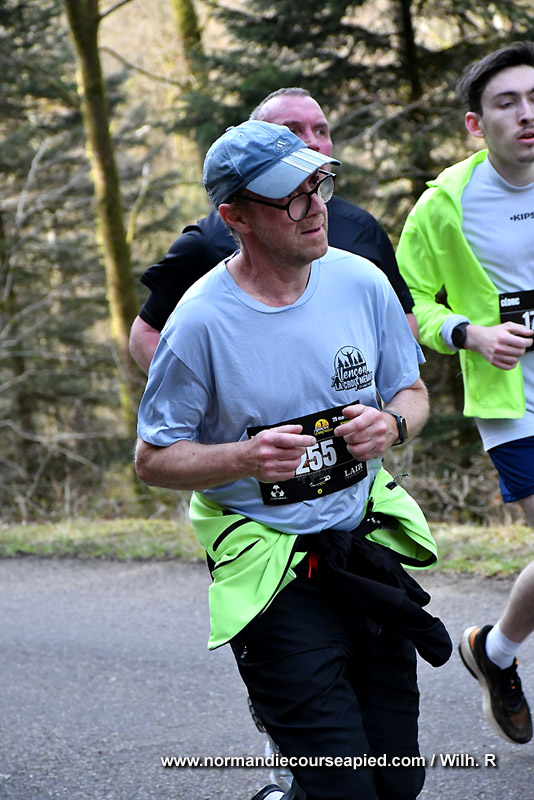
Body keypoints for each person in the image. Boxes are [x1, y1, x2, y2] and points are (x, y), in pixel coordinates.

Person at [135, 119, 452, 800]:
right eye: (291, 197)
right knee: (344, 787)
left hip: (361, 551)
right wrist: (244, 458)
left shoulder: (361, 282)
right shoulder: (199, 323)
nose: (316, 208)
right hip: (271, 568)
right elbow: (153, 459)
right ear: (236, 217)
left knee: (397, 783)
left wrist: (392, 424)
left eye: (319, 186)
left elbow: (413, 391)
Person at [396, 41, 534, 746]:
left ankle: (494, 650)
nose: (527, 114)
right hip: (515, 405)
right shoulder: (444, 205)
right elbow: (410, 303)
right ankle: (496, 652)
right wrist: (470, 333)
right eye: (508, 103)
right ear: (477, 124)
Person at [129, 88, 417, 373]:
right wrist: (206, 394)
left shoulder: (361, 229)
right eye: (291, 131)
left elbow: (402, 320)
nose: (311, 142)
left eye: (320, 131)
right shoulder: (208, 245)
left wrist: (379, 394)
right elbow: (146, 334)